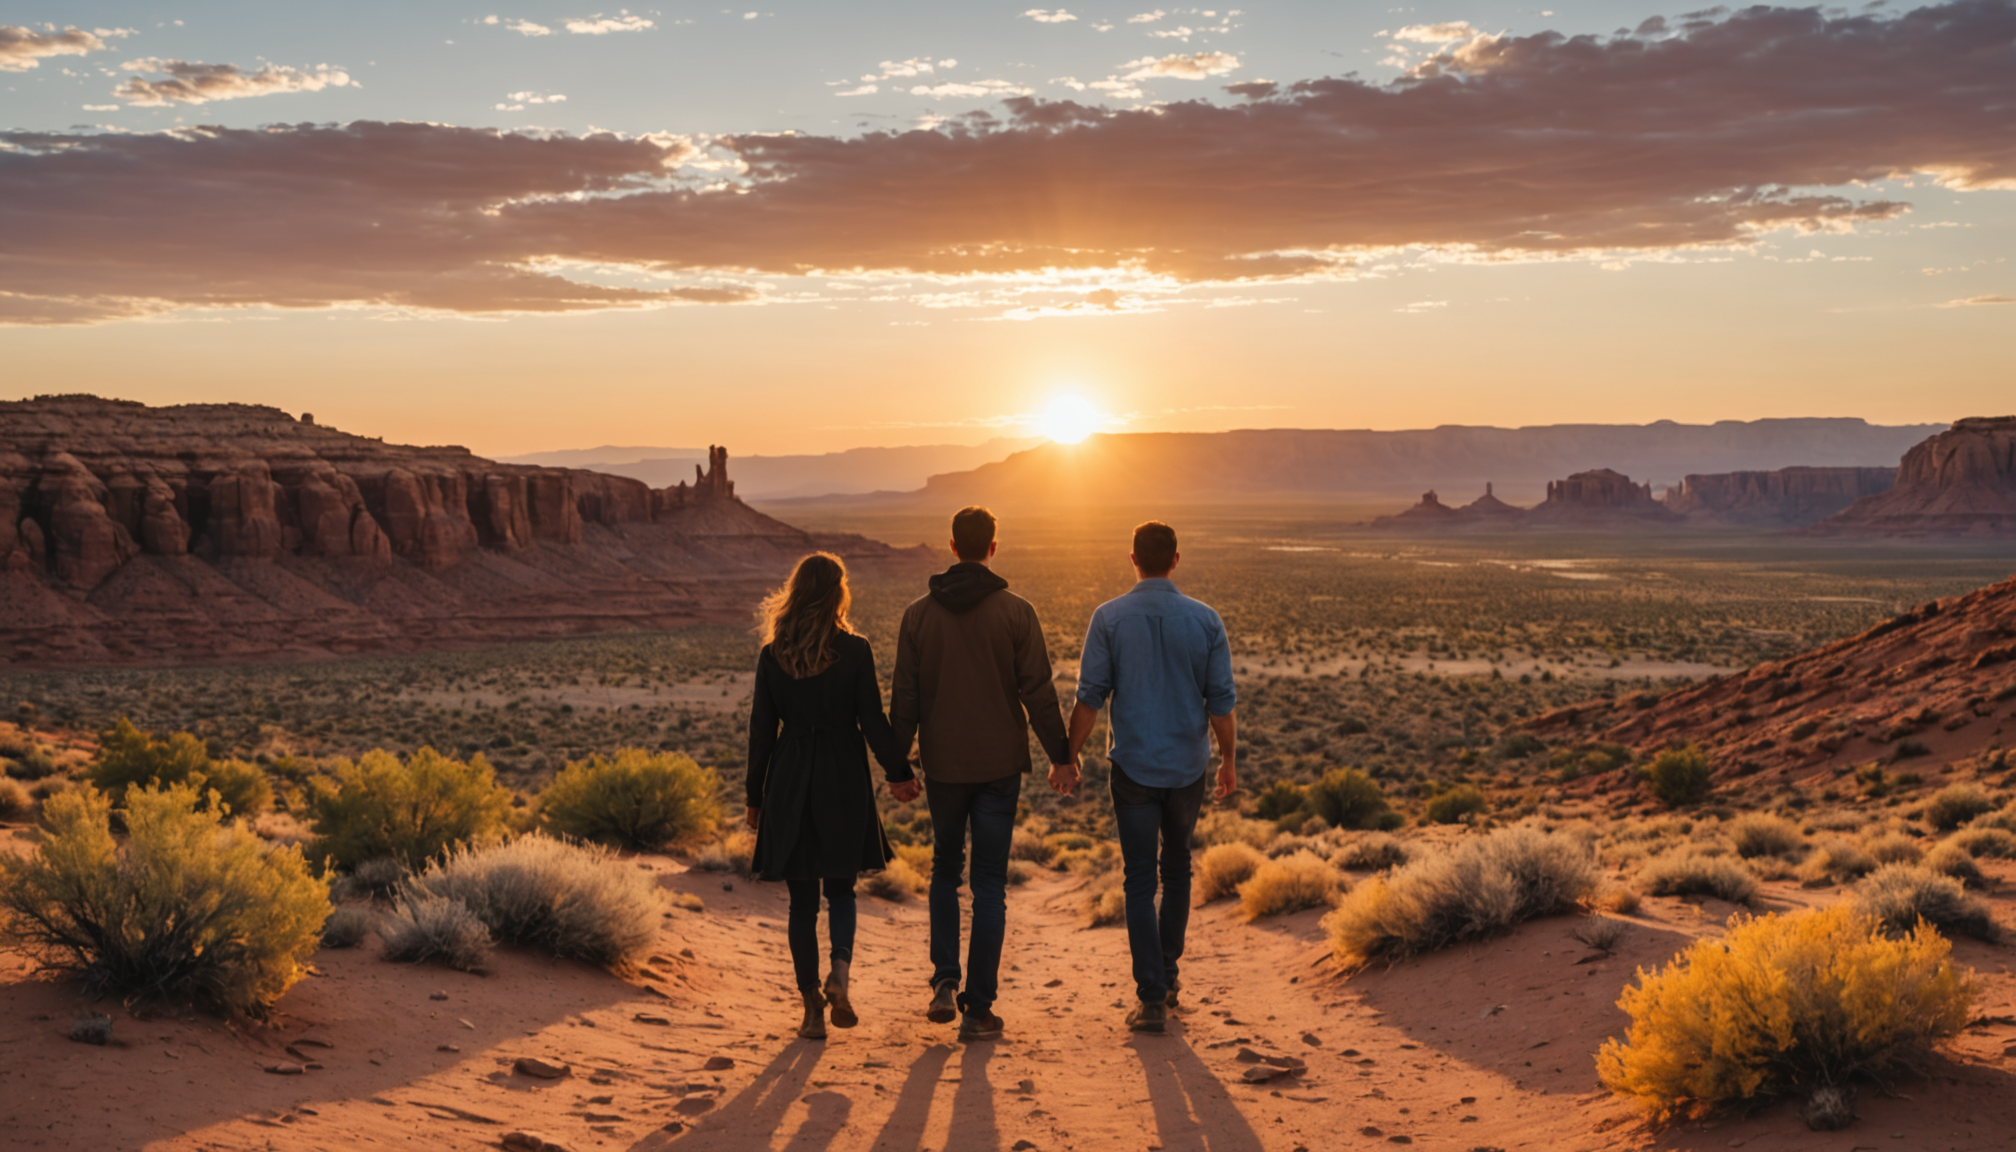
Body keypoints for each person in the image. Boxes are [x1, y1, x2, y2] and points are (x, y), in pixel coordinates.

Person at [890, 505, 1073, 1043]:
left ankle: (945, 980)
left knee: (945, 870)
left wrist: (898, 768)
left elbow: (904, 701)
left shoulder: (917, 616)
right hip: (999, 767)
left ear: (952, 547)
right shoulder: (1017, 612)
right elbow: (1038, 692)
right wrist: (1062, 756)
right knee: (989, 884)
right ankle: (979, 1009)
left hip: (943, 766)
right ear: (993, 547)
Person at [1054, 521, 1237, 1034]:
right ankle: (1168, 977)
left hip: (1133, 766)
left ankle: (1151, 997)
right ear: (1175, 560)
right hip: (1187, 767)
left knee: (1139, 879)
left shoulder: (1108, 617)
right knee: (1176, 870)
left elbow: (1089, 698)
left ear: (1132, 558)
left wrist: (1068, 757)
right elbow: (1221, 703)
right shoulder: (1206, 620)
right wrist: (1228, 760)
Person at [747, 552, 912, 1041]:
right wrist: (899, 772)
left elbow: (761, 731)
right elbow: (873, 721)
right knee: (841, 890)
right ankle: (839, 971)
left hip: (791, 777)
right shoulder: (854, 650)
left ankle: (811, 1009)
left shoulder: (773, 654)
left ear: (796, 592)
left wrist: (754, 797)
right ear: (838, 592)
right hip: (842, 775)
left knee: (802, 904)